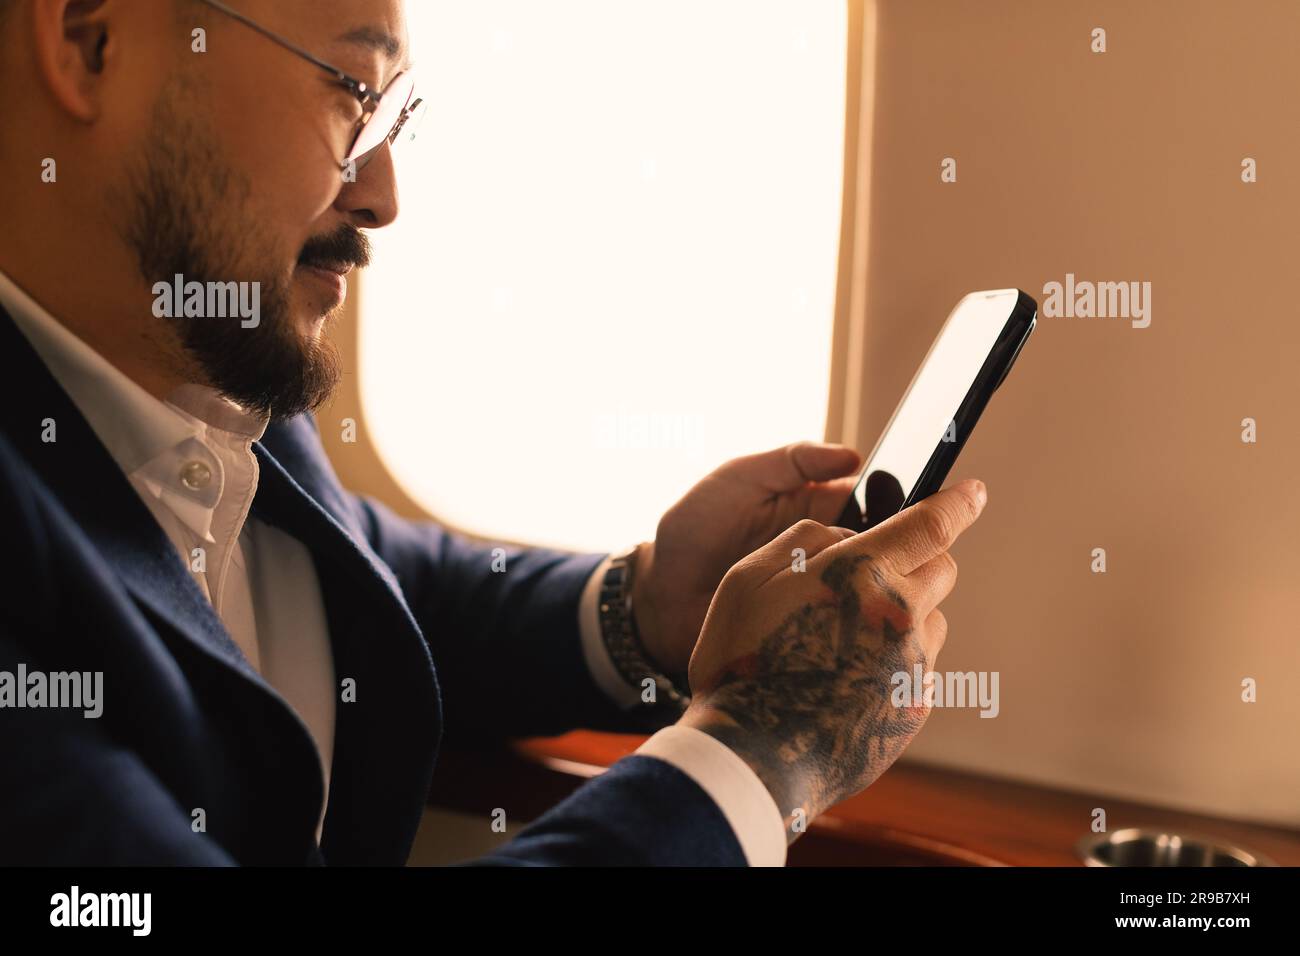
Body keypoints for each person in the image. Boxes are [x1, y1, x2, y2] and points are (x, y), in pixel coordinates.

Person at [0, 0, 987, 866]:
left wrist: (644, 609)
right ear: (90, 40)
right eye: (351, 93)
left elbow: (380, 583)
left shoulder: (195, 369)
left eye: (394, 114)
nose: (383, 195)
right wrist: (764, 752)